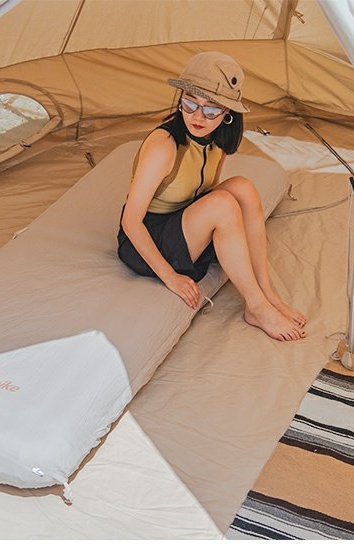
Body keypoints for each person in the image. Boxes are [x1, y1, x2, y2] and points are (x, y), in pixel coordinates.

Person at [117, 51, 307, 342]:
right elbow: (131, 221)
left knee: (242, 187)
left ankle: (268, 293)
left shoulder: (217, 140)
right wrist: (171, 277)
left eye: (210, 110)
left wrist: (220, 223)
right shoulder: (164, 145)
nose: (197, 116)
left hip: (182, 220)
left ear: (227, 113)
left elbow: (205, 192)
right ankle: (256, 307)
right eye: (190, 103)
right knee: (223, 203)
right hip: (147, 238)